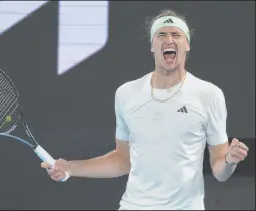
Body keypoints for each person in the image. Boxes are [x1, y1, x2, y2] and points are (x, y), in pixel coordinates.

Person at [41, 9, 249, 210]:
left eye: (176, 34)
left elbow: (220, 170)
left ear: (186, 45)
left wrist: (230, 161)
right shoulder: (126, 93)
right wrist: (70, 167)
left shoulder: (209, 95)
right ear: (152, 46)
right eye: (161, 35)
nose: (169, 39)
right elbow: (123, 160)